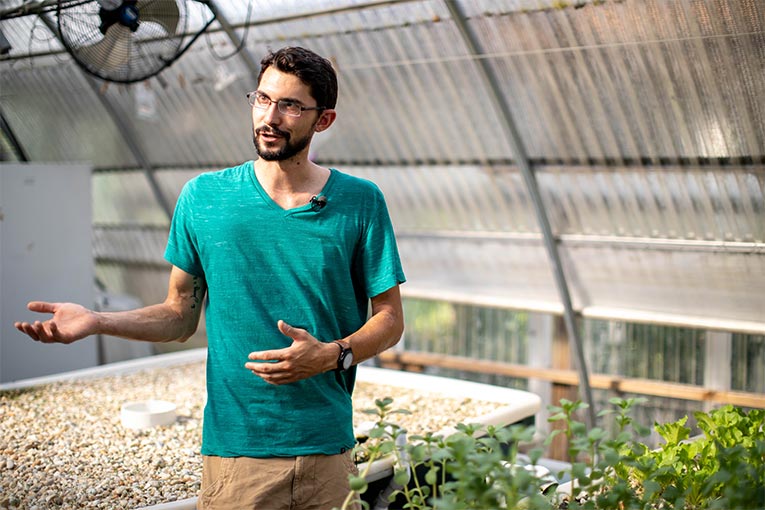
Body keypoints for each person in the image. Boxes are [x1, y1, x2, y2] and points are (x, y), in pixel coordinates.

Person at [15, 46, 406, 510]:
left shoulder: (360, 202)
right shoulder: (204, 197)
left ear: (323, 120)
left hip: (329, 452)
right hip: (238, 453)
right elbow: (179, 315)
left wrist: (331, 355)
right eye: (262, 99)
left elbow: (390, 319)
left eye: (290, 106)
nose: (270, 116)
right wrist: (98, 321)